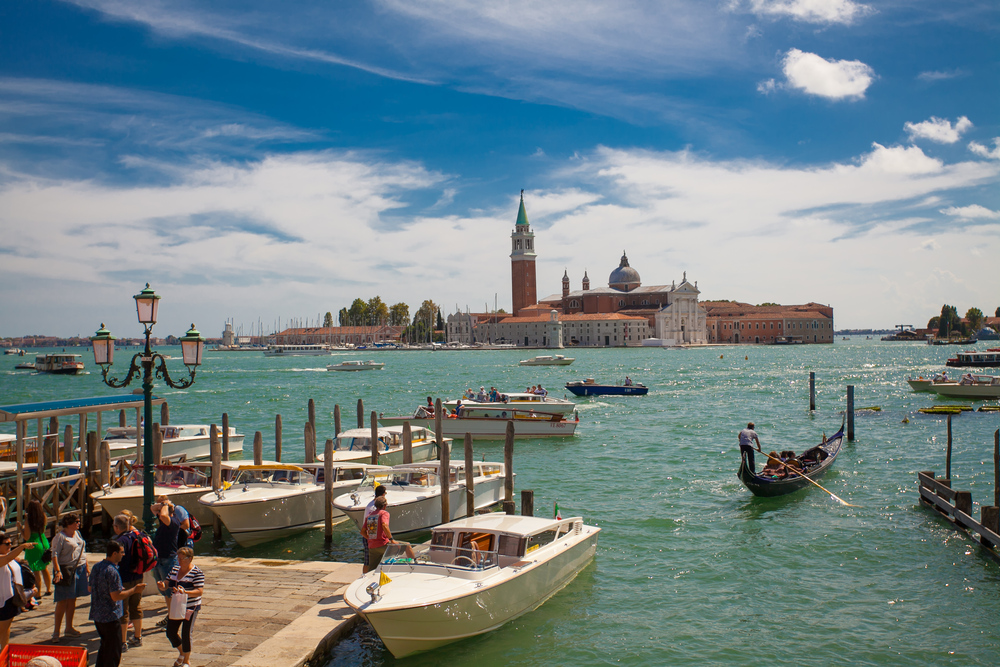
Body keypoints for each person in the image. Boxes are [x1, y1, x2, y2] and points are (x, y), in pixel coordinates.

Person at [90, 541, 145, 667]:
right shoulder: (112, 571)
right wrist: (134, 590)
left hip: (97, 615)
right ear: (114, 553)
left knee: (104, 648)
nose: (123, 554)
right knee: (113, 652)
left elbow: (90, 588)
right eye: (121, 552)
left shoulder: (96, 567)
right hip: (110, 615)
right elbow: (115, 596)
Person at [157, 547, 203, 667]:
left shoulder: (197, 572)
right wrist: (162, 586)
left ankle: (186, 660)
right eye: (179, 558)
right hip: (177, 605)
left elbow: (199, 591)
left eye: (183, 558)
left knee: (186, 633)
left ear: (190, 559)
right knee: (171, 632)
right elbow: (166, 584)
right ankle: (182, 652)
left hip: (190, 607)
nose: (180, 561)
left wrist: (185, 592)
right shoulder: (175, 569)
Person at [50, 512, 88, 643]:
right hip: (66, 570)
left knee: (72, 599)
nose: (79, 523)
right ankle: (56, 631)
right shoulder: (60, 537)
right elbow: (54, 555)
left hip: (79, 568)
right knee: (62, 601)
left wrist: (87, 567)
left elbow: (82, 551)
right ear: (69, 523)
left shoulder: (77, 534)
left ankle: (69, 627)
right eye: (76, 521)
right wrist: (57, 571)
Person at [151, 496, 188, 628]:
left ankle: (175, 618)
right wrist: (163, 504)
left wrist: (166, 505)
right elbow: (152, 508)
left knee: (172, 592)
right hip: (159, 560)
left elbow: (164, 516)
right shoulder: (164, 521)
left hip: (169, 560)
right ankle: (170, 616)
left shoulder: (173, 522)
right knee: (166, 592)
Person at [112, 514, 144, 651]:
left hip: (123, 579)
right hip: (138, 576)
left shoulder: (120, 541)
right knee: (136, 607)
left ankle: (123, 641)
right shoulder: (138, 535)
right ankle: (138, 637)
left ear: (116, 527)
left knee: (123, 611)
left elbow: (115, 561)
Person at [0, 533, 30, 648]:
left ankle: (3, 651)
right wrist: (22, 547)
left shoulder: (9, 556)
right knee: (2, 629)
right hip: (2, 599)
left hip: (10, 597)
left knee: (6, 628)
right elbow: (7, 559)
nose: (10, 545)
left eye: (11, 543)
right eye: (7, 544)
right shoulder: (4, 558)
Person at [22, 499, 52, 597]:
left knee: (35, 570)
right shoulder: (43, 516)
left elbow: (26, 536)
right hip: (43, 542)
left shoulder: (28, 519)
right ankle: (48, 589)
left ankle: (38, 593)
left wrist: (20, 528)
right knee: (44, 568)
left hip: (33, 544)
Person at [361, 485, 387, 574]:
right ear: (383, 494)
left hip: (371, 536)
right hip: (371, 537)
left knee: (371, 561)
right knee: (368, 561)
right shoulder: (373, 507)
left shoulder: (371, 504)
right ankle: (364, 577)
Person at [364, 496, 395, 569]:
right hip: (383, 544)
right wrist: (391, 539)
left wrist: (370, 538)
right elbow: (384, 525)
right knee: (407, 546)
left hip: (372, 546)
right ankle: (414, 565)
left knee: (372, 568)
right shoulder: (384, 513)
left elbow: (362, 532)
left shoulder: (369, 516)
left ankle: (369, 579)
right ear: (385, 505)